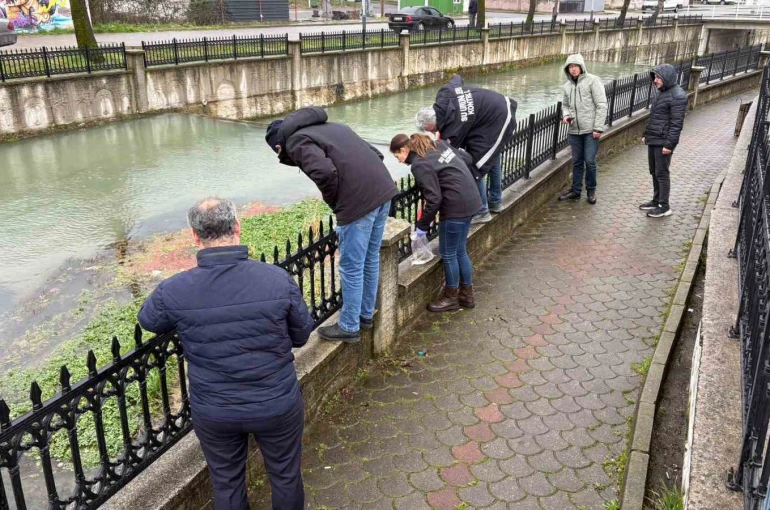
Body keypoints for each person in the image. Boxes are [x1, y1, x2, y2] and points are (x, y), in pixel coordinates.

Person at [138, 197, 313, 510]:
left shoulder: (174, 290)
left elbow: (149, 320)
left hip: (215, 408)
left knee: (227, 483)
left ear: (194, 236)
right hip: (275, 401)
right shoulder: (275, 279)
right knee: (285, 475)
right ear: (237, 227)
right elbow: (301, 334)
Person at [266, 107, 398, 342]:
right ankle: (365, 315)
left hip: (358, 203)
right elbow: (375, 154)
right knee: (370, 258)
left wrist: (337, 201)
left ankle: (349, 326)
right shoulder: (333, 128)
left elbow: (325, 173)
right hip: (383, 190)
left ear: (279, 145)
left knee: (351, 266)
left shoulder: (296, 141)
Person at [390, 133, 481, 312]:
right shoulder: (438, 145)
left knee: (448, 254)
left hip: (455, 208)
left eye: (397, 156)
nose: (399, 161)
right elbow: (467, 158)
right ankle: (467, 296)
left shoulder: (419, 164)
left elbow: (434, 199)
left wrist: (422, 227)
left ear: (404, 150)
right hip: (471, 200)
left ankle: (451, 298)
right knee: (460, 250)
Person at [415, 74, 517, 224]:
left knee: (475, 166)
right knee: (492, 156)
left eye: (429, 129)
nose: (430, 132)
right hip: (497, 106)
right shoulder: (445, 93)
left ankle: (482, 211)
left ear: (432, 122)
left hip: (498, 119)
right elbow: (457, 78)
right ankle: (495, 201)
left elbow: (452, 155)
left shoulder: (453, 129)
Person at [558, 53, 608, 205]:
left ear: (581, 66)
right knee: (577, 161)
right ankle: (576, 190)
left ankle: (591, 190)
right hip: (574, 130)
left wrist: (598, 128)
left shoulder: (593, 81)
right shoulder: (567, 86)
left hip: (590, 130)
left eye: (575, 66)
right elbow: (565, 105)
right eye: (570, 67)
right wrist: (566, 116)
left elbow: (601, 104)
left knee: (590, 161)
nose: (573, 69)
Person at [640, 63, 687, 218]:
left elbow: (676, 124)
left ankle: (664, 206)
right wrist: (646, 134)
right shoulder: (661, 92)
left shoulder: (678, 96)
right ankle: (656, 200)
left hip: (663, 142)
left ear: (666, 77)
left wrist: (669, 145)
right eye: (654, 77)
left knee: (662, 173)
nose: (655, 80)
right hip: (653, 139)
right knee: (654, 171)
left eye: (658, 77)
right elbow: (654, 117)